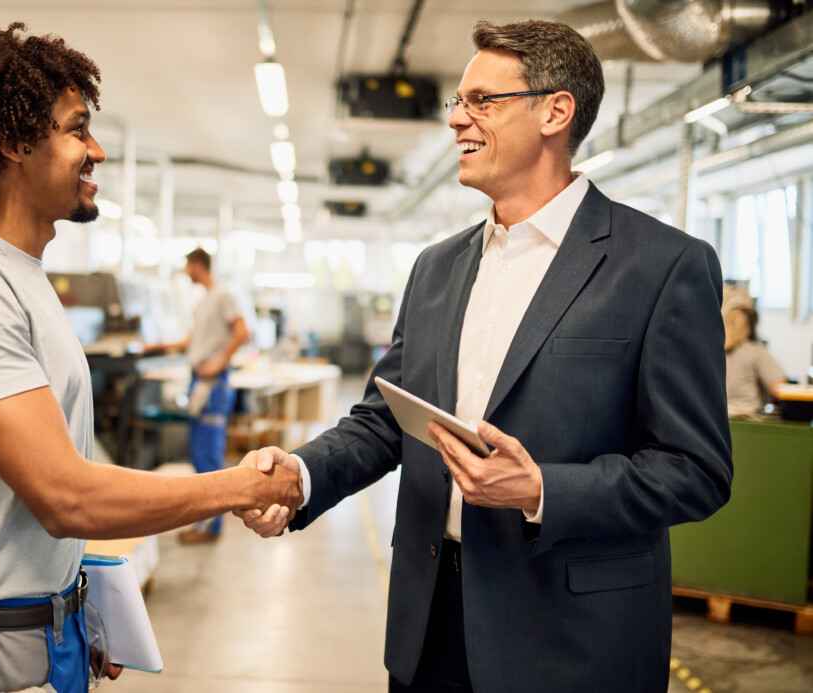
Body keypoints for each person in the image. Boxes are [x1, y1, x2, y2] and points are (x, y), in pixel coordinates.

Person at [238, 19, 732, 693]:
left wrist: (541, 490)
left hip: (572, 639)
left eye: (481, 101)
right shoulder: (437, 267)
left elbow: (694, 468)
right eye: (456, 102)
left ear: (555, 111)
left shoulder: (662, 267)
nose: (455, 120)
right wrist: (299, 475)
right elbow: (388, 416)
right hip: (430, 622)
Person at [0, 23, 301, 693]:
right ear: (13, 143)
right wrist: (244, 487)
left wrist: (75, 613)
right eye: (77, 130)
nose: (97, 150)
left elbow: (48, 496)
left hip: (34, 633)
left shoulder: (24, 276)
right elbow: (63, 494)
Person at [141, 248, 251, 544]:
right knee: (199, 456)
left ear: (197, 265)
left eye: (188, 266)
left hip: (212, 384)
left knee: (208, 457)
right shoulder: (204, 301)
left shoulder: (222, 295)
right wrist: (154, 347)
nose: (186, 272)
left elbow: (243, 331)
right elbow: (192, 341)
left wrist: (219, 362)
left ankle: (210, 528)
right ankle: (205, 525)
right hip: (198, 381)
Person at [723, 288, 787, 416]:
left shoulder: (710, 352)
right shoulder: (756, 351)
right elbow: (780, 389)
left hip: (717, 421)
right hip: (750, 422)